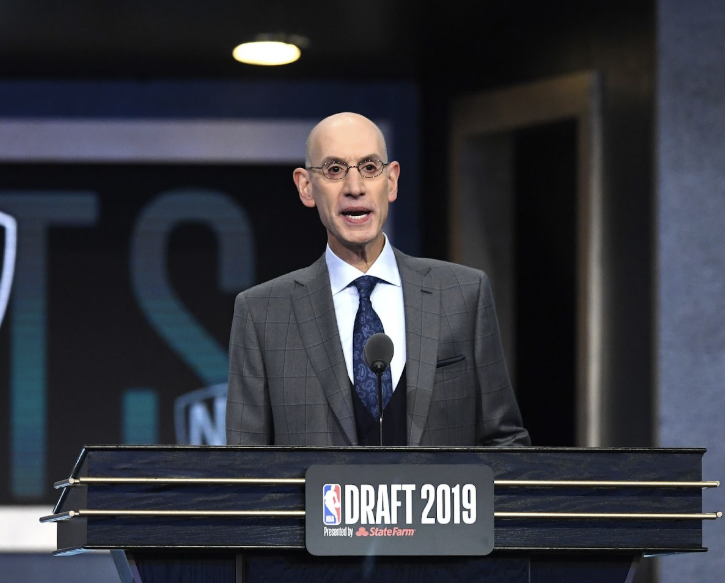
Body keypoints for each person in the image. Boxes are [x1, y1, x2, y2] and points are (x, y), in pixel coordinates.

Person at [225, 112, 530, 447]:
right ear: (306, 187)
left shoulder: (463, 294)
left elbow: (505, 443)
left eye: (370, 168)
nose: (354, 188)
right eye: (335, 170)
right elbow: (246, 467)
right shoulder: (262, 313)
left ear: (392, 181)